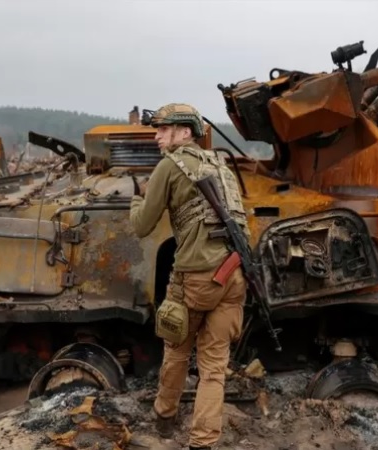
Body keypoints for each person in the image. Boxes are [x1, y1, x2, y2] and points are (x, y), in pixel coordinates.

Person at [129, 103, 250, 450]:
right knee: (213, 368)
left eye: (164, 130)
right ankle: (202, 443)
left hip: (195, 279)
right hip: (233, 276)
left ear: (185, 133)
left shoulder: (169, 166)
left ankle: (164, 419)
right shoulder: (221, 164)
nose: (157, 136)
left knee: (177, 350)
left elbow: (142, 225)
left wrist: (136, 200)